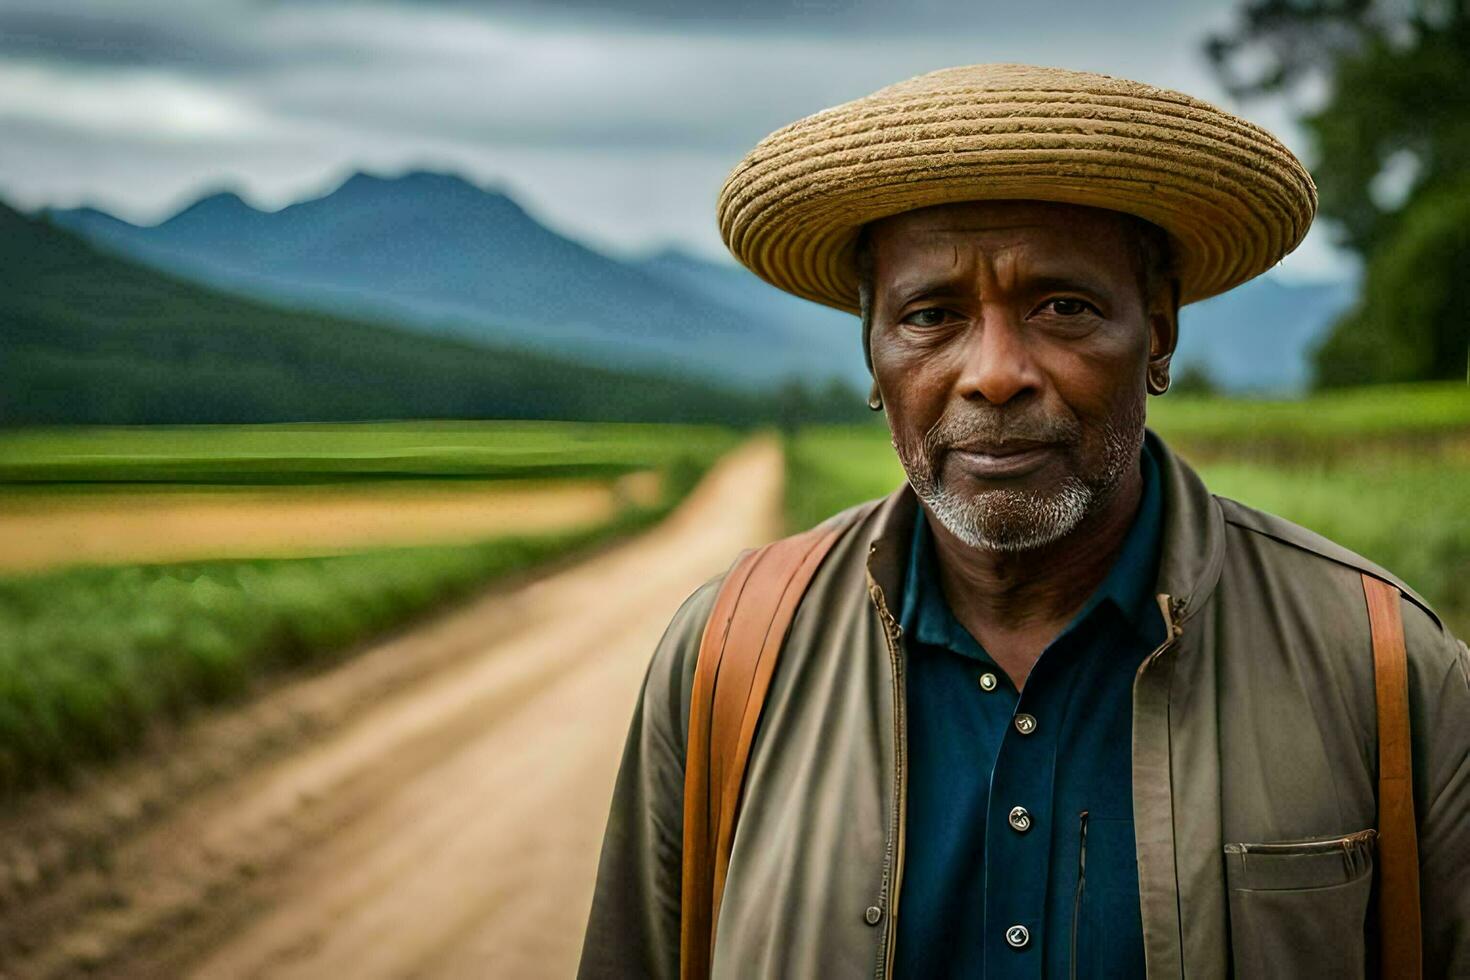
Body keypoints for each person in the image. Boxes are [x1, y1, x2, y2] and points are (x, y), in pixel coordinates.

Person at [577, 63, 1470, 979]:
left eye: (1063, 306)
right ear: (873, 357)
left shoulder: (1379, 665)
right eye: (931, 315)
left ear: (1157, 332)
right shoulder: (729, 658)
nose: (996, 372)